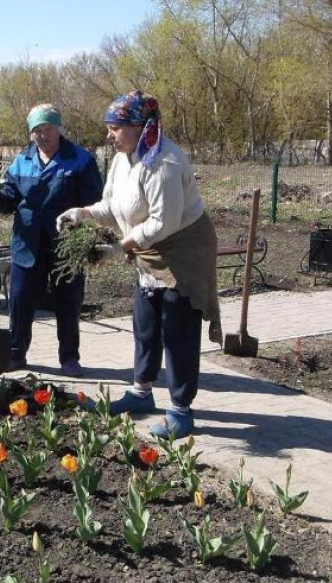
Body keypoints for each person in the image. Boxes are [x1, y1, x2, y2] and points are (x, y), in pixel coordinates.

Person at [56, 90, 221, 439]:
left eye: (115, 127)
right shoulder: (123, 159)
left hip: (182, 253)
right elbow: (113, 206)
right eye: (109, 127)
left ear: (138, 126)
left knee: (177, 332)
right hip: (147, 250)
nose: (109, 134)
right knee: (145, 326)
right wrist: (82, 213)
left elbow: (163, 223)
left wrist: (118, 249)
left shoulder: (164, 162)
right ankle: (141, 394)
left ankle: (180, 411)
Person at [0, 104, 103, 377]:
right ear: (31, 134)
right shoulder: (22, 160)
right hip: (27, 242)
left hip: (67, 245)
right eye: (37, 131)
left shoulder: (81, 160)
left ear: (58, 129)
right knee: (21, 301)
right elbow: (10, 195)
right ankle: (16, 353)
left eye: (48, 129)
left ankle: (69, 357)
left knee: (68, 302)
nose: (43, 135)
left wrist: (90, 239)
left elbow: (95, 202)